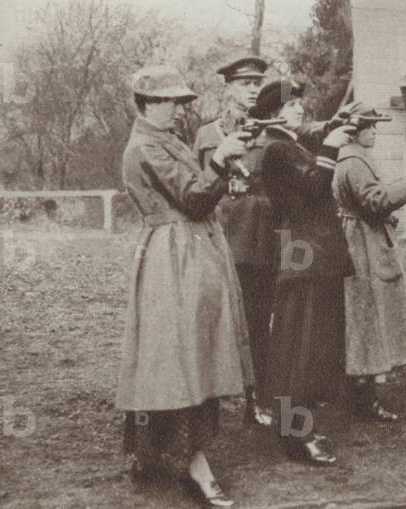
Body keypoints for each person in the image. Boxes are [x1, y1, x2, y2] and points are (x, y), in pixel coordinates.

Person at [118, 64, 253, 507]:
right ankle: (189, 461)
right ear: (150, 103)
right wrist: (217, 161)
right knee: (176, 355)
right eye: (172, 101)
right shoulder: (143, 147)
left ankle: (158, 452)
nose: (180, 108)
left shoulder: (167, 139)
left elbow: (199, 193)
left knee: (187, 351)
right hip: (171, 257)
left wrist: (224, 169)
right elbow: (193, 199)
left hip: (191, 252)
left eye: (181, 101)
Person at [249, 79, 356, 464]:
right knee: (299, 347)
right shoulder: (277, 149)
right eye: (290, 105)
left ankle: (299, 426)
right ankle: (295, 435)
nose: (299, 109)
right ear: (271, 114)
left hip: (312, 254)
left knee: (310, 347)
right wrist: (331, 146)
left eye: (298, 103)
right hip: (302, 254)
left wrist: (331, 133)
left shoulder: (289, 144)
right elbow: (313, 188)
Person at [333, 102, 406, 421]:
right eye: (370, 126)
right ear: (354, 130)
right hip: (363, 243)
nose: (375, 131)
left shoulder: (351, 157)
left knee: (362, 317)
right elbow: (373, 202)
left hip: (361, 237)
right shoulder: (354, 160)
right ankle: (362, 398)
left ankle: (358, 391)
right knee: (367, 317)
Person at [193, 56, 275, 427]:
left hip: (265, 239)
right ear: (228, 88)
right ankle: (205, 400)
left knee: (260, 322)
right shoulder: (210, 136)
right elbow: (202, 187)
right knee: (219, 322)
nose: (253, 88)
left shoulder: (270, 132)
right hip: (227, 238)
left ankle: (258, 400)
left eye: (257, 82)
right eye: (245, 83)